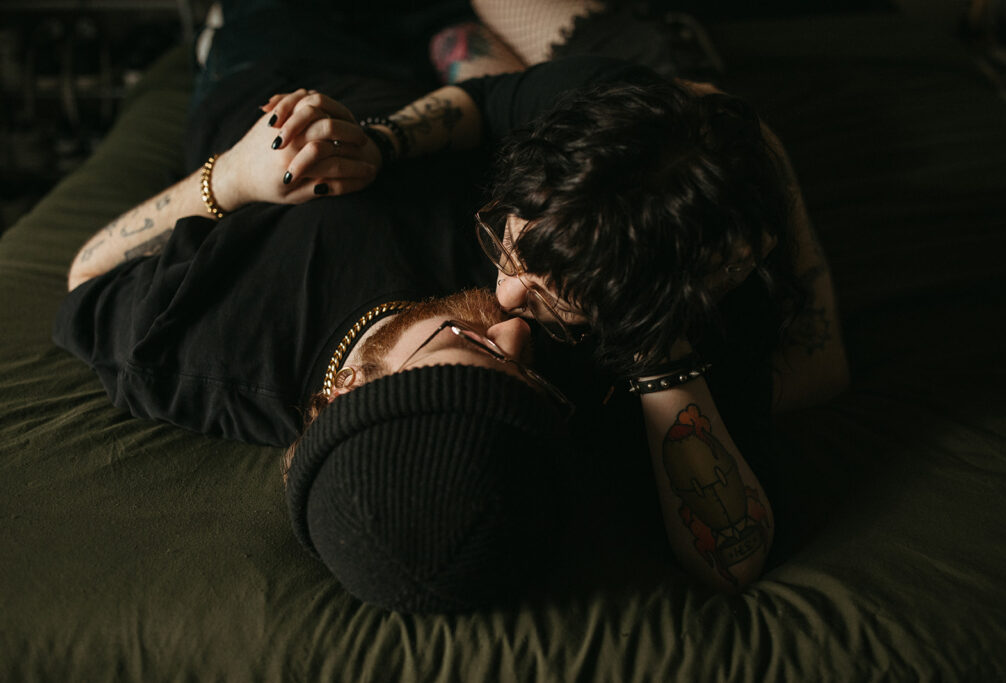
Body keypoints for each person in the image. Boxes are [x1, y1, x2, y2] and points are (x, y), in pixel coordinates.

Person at [263, 0, 851, 591]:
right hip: (628, 85)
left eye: (555, 299)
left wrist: (658, 348)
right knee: (477, 25)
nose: (505, 298)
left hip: (701, 153)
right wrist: (381, 142)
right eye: (510, 247)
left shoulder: (714, 307)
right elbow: (484, 102)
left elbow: (733, 562)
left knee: (461, 39)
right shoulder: (577, 109)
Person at [52, 1, 573, 614]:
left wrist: (233, 178)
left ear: (351, 387)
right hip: (451, 71)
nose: (517, 333)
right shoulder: (523, 349)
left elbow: (87, 274)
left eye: (478, 345)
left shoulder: (208, 354)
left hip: (283, 54)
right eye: (531, 376)